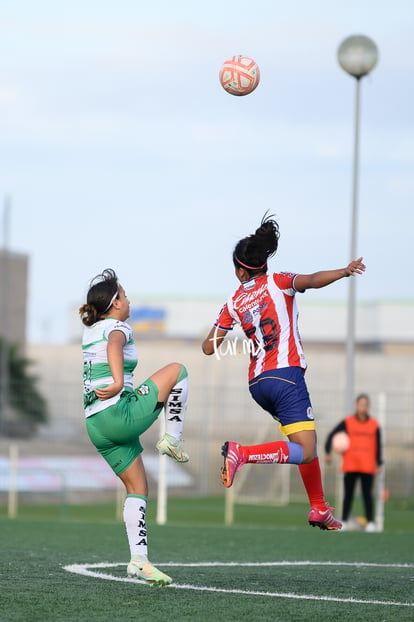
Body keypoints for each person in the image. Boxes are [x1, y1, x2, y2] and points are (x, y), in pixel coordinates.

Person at [202, 213, 366, 531]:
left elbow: (209, 347)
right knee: (305, 450)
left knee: (302, 443)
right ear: (262, 264)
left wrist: (235, 328)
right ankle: (242, 453)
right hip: (286, 376)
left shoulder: (233, 300)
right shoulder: (278, 282)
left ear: (239, 270)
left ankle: (318, 507)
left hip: (257, 382)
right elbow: (312, 280)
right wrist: (344, 272)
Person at [79, 268, 189, 586]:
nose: (129, 300)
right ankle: (173, 439)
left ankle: (139, 561)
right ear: (114, 303)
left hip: (96, 424)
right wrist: (116, 382)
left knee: (138, 487)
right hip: (117, 414)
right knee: (177, 371)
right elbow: (115, 344)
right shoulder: (117, 326)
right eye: (124, 296)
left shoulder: (91, 330)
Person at [325, 393, 382, 532]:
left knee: (367, 494)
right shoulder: (348, 421)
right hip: (351, 465)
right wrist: (328, 451)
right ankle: (344, 520)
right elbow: (332, 434)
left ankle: (370, 523)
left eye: (365, 405)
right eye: (360, 404)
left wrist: (378, 463)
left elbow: (378, 444)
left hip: (367, 466)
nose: (363, 407)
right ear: (356, 406)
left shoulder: (374, 424)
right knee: (348, 494)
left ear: (368, 407)